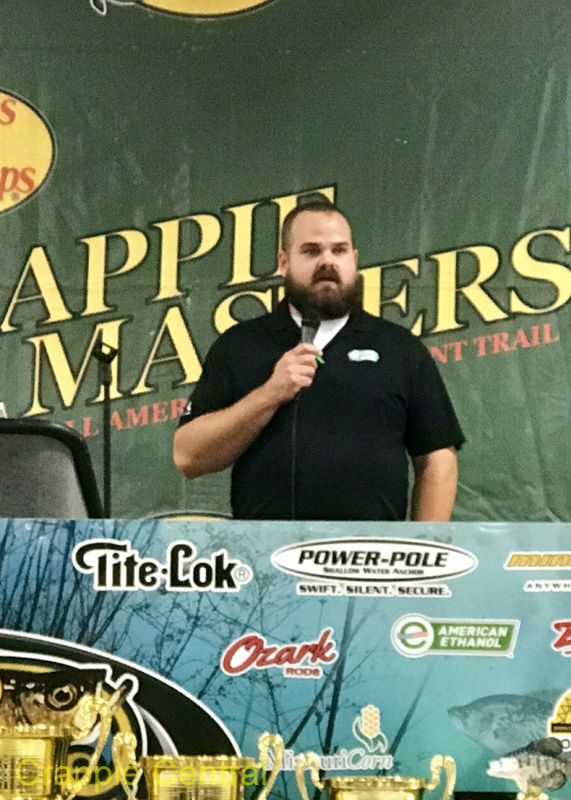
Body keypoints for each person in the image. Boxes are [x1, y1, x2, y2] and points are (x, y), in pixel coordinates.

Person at [173, 200, 465, 521]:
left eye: (339, 250)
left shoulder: (400, 348)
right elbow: (188, 457)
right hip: (266, 549)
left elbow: (437, 458)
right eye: (311, 251)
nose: (327, 261)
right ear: (284, 262)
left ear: (354, 260)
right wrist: (270, 394)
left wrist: (423, 543)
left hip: (370, 550)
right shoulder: (241, 345)